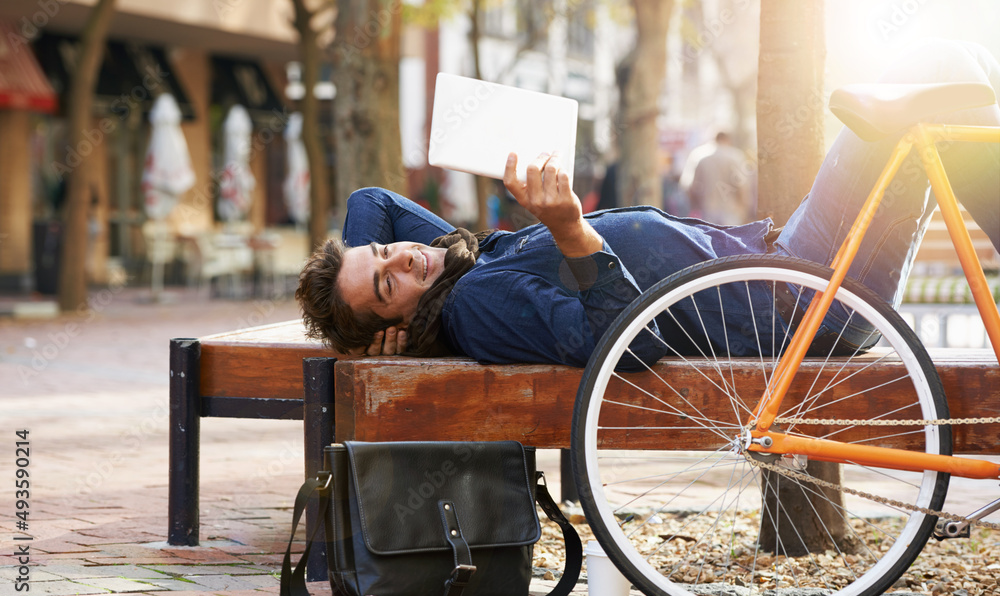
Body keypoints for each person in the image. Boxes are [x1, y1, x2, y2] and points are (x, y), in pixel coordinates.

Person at [297, 39, 999, 367]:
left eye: (387, 252)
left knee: (943, 110)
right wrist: (571, 230)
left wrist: (360, 292)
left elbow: (371, 200)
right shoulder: (475, 304)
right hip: (801, 298)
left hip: (794, 280)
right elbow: (616, 344)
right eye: (388, 282)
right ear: (405, 318)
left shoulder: (451, 270)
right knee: (938, 71)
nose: (404, 256)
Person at [681, 131, 752, 226]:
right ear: (728, 140)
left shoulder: (699, 157)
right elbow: (743, 186)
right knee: (731, 238)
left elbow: (690, 186)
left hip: (707, 211)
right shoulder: (736, 156)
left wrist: (695, 206)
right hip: (731, 211)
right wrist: (744, 209)